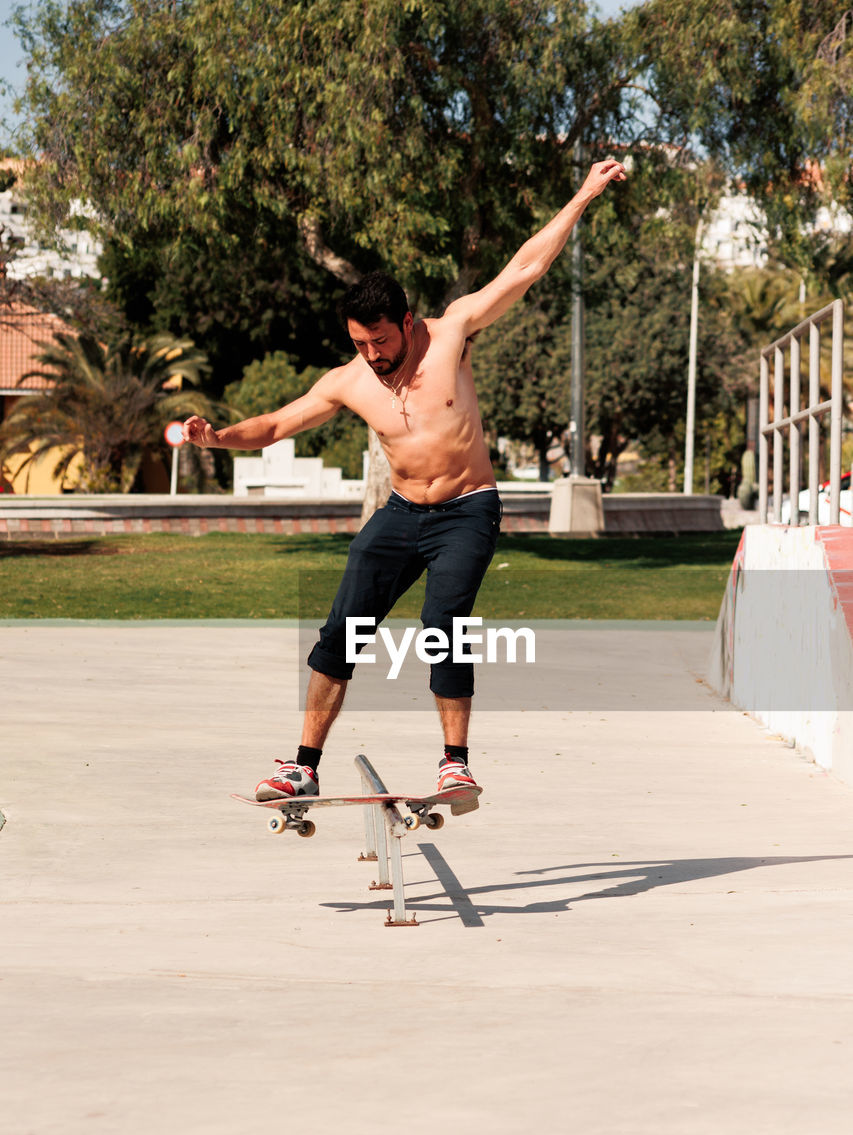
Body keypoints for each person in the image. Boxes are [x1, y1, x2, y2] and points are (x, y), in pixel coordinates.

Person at [183, 158, 626, 799]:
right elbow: (279, 424)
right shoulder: (349, 379)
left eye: (382, 340)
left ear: (408, 322)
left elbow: (525, 267)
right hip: (400, 513)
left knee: (442, 623)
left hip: (467, 508)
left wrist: (583, 193)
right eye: (361, 343)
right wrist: (220, 437)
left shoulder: (452, 335)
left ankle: (455, 762)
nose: (373, 354)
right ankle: (302, 766)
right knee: (340, 629)